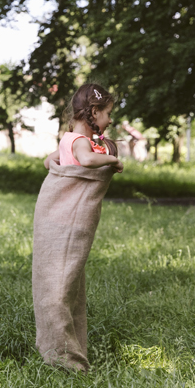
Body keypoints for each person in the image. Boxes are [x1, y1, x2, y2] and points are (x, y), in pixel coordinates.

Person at [32, 83, 122, 372]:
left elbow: (50, 161)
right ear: (94, 112)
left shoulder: (66, 139)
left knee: (68, 281)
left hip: (61, 220)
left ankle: (64, 347)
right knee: (61, 286)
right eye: (107, 113)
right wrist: (113, 160)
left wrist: (60, 163)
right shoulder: (80, 143)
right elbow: (86, 160)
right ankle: (63, 357)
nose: (109, 120)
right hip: (65, 217)